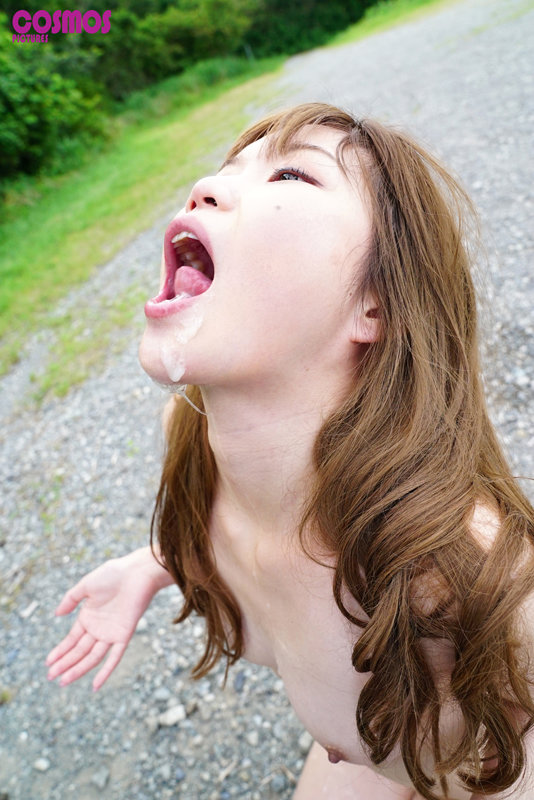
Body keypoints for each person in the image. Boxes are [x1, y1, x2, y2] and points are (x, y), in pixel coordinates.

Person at [45, 103, 534, 799]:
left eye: (292, 175)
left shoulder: (457, 563)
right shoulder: (193, 447)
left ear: (375, 302)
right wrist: (149, 566)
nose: (205, 187)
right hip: (367, 756)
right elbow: (242, 536)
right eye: (225, 169)